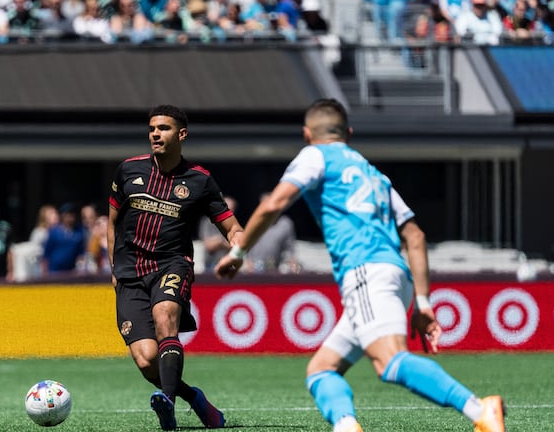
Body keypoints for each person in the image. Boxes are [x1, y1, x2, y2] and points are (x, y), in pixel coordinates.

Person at [214, 99, 505, 432]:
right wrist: (422, 303)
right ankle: (346, 425)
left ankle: (479, 408)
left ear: (307, 134)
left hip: (365, 271)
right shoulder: (374, 175)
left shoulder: (315, 155)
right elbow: (416, 236)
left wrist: (239, 253)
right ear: (349, 133)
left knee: (389, 362)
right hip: (396, 273)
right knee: (322, 370)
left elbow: (274, 204)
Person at [108, 105, 241, 431]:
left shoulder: (200, 180)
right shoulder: (128, 170)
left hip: (172, 265)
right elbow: (112, 222)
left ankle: (165, 405)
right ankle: (193, 398)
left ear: (181, 134)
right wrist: (113, 266)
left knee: (165, 317)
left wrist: (238, 252)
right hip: (130, 273)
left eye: (164, 128)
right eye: (153, 128)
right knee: (146, 360)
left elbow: (233, 228)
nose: (156, 133)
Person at [242, 192, 300, 274]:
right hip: (252, 269)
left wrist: (292, 262)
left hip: (274, 269)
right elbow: (243, 245)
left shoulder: (285, 223)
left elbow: (290, 249)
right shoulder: (253, 221)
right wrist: (246, 262)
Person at [42, 202, 87, 274]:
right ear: (62, 216)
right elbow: (46, 252)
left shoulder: (79, 232)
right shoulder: (54, 232)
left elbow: (81, 252)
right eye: (67, 215)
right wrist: (44, 271)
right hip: (54, 271)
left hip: (71, 271)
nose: (70, 218)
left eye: (72, 215)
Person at [197, 195, 237, 272]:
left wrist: (218, 242)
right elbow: (208, 245)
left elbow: (237, 246)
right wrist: (223, 241)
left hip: (228, 265)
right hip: (210, 265)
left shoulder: (235, 224)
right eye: (227, 209)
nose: (229, 212)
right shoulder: (207, 221)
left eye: (231, 210)